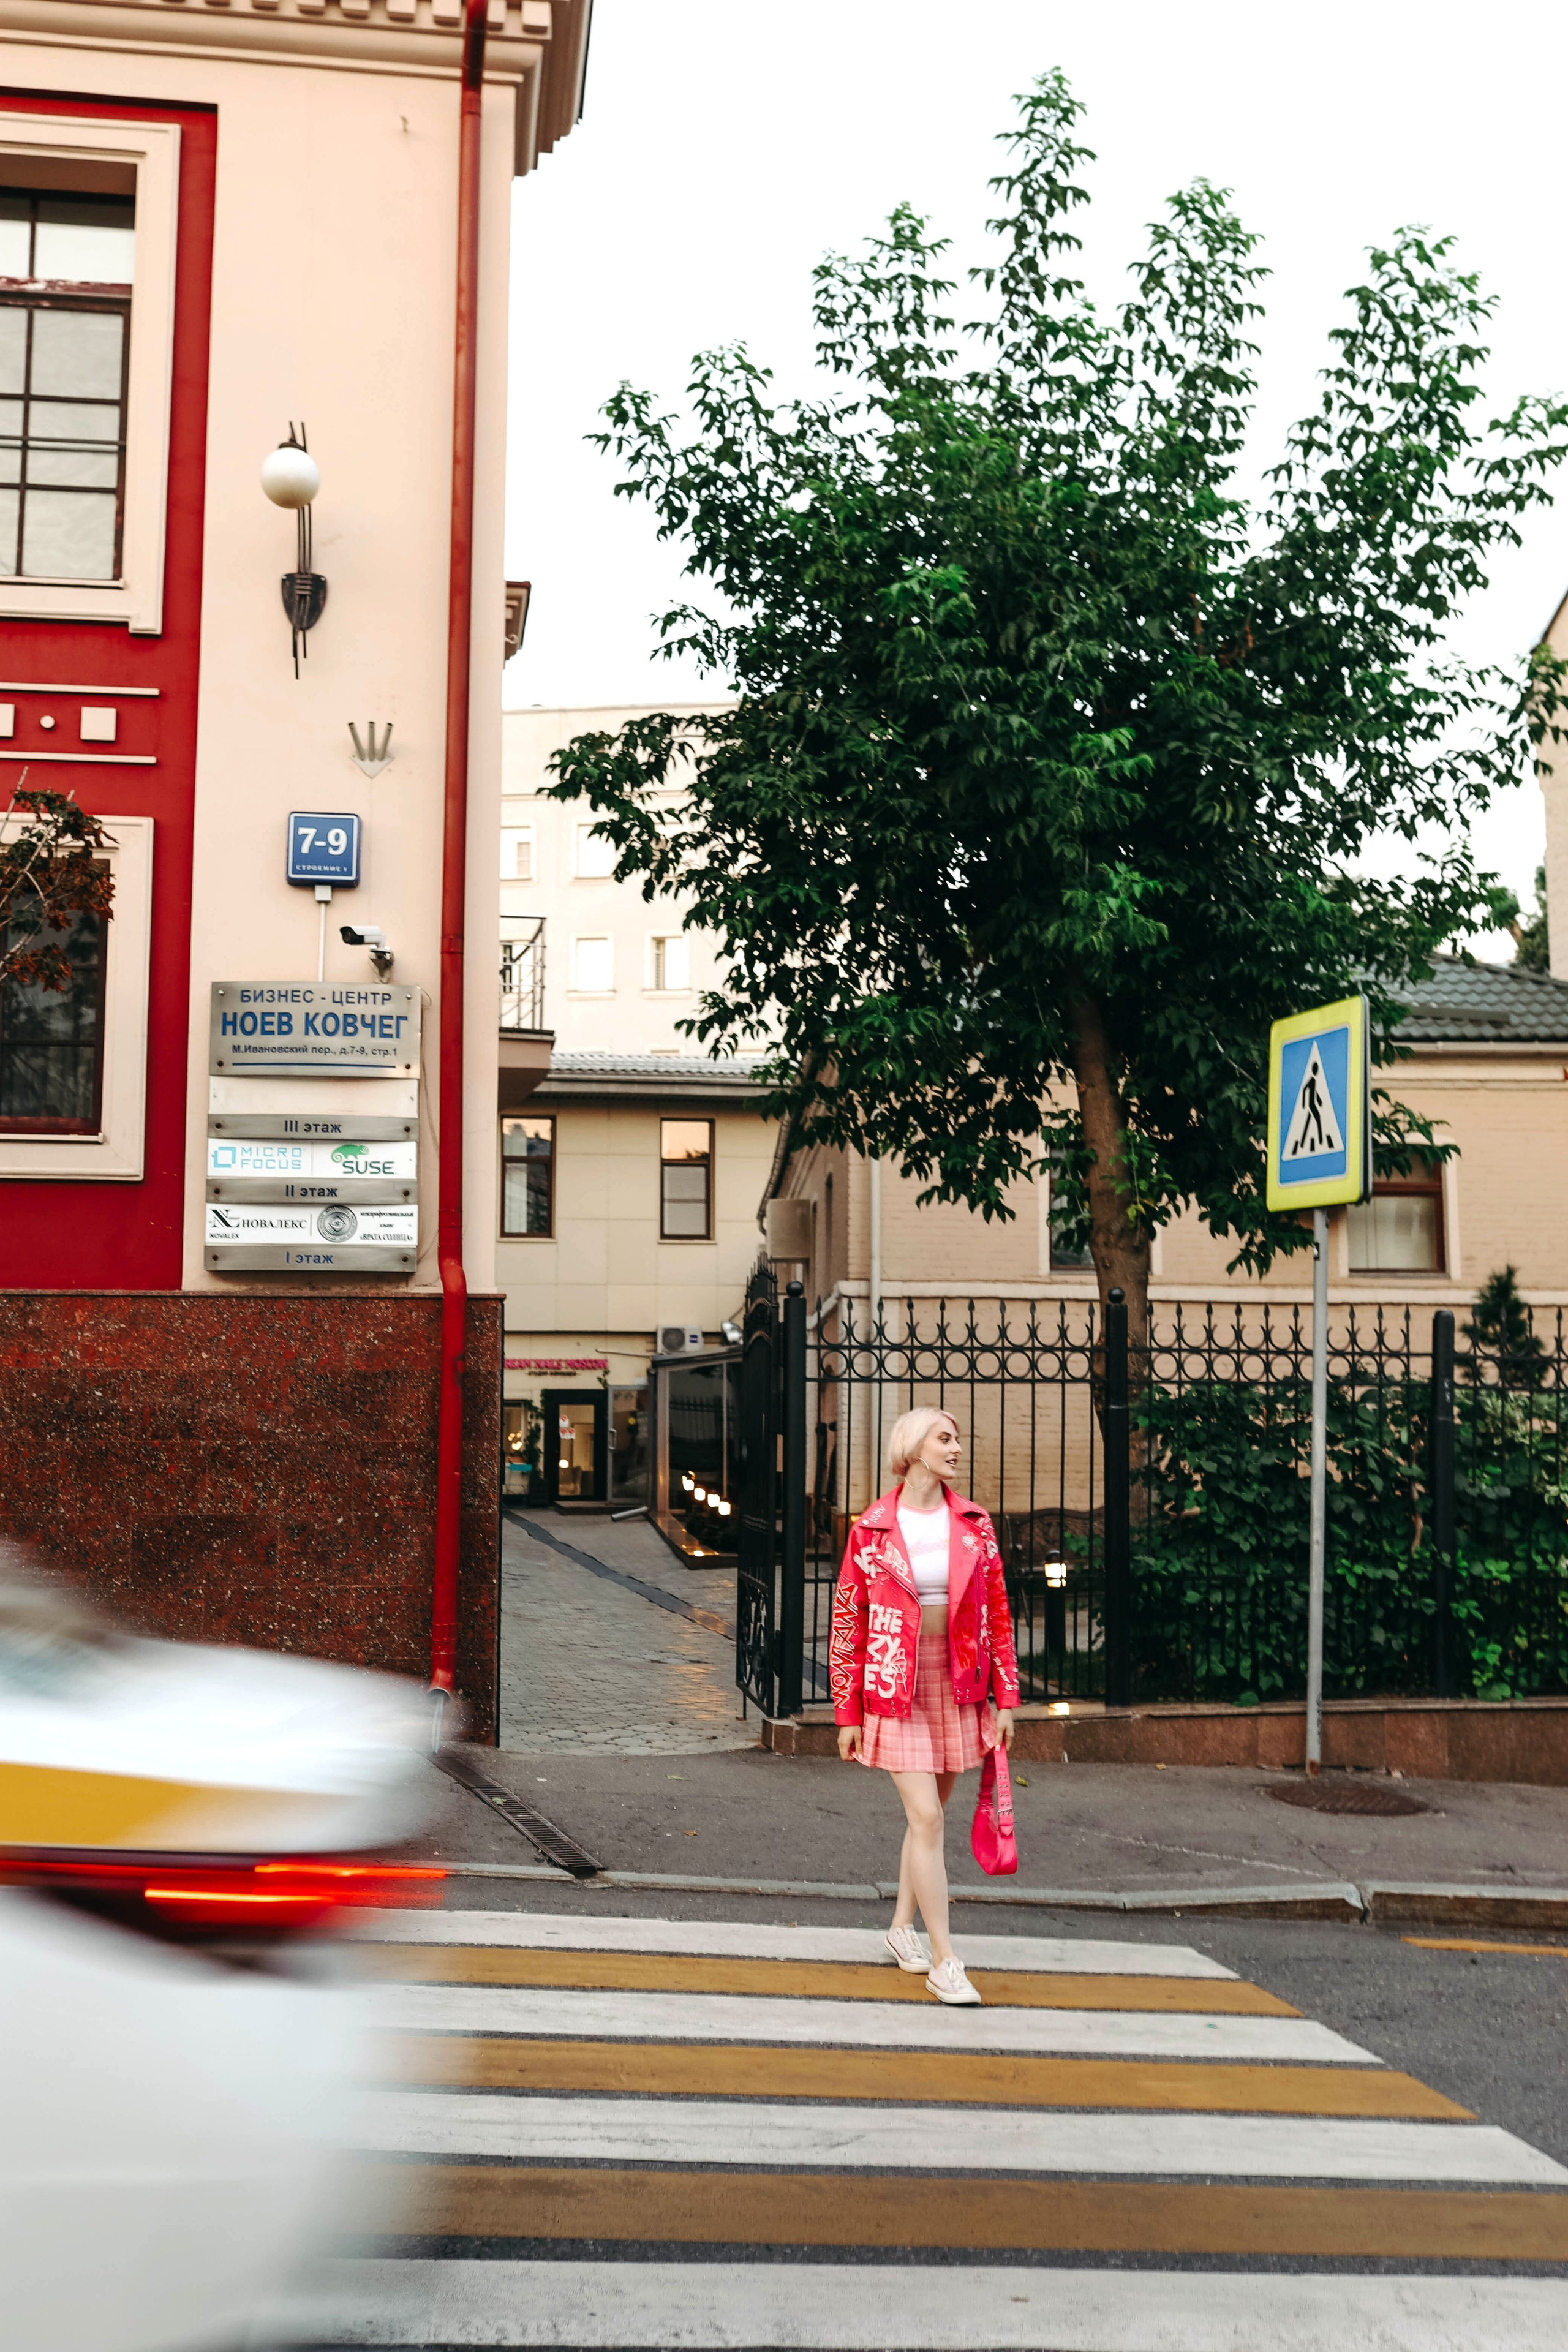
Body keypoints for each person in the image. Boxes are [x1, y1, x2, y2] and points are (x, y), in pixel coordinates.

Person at [830, 1407, 1019, 2005]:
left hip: (957, 1678)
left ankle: (898, 1928)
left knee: (928, 1814)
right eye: (945, 1438)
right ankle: (945, 1960)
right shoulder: (873, 1528)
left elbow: (998, 1609)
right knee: (929, 1820)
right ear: (912, 1448)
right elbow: (846, 1620)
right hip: (893, 1682)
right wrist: (846, 1711)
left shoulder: (973, 1523)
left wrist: (1005, 1697)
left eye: (958, 1438)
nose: (956, 1448)